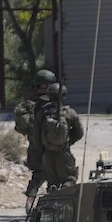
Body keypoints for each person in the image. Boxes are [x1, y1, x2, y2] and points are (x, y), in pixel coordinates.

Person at [17, 69, 56, 211]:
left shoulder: (29, 103)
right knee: (54, 175)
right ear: (47, 84)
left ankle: (30, 200)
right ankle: (53, 204)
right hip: (50, 147)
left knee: (37, 175)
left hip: (34, 147)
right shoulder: (51, 103)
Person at [40, 83, 84, 190]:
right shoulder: (70, 113)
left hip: (47, 154)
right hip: (64, 153)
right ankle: (65, 201)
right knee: (69, 180)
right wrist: (68, 141)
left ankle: (52, 201)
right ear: (63, 96)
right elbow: (79, 132)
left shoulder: (43, 113)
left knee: (52, 182)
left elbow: (37, 134)